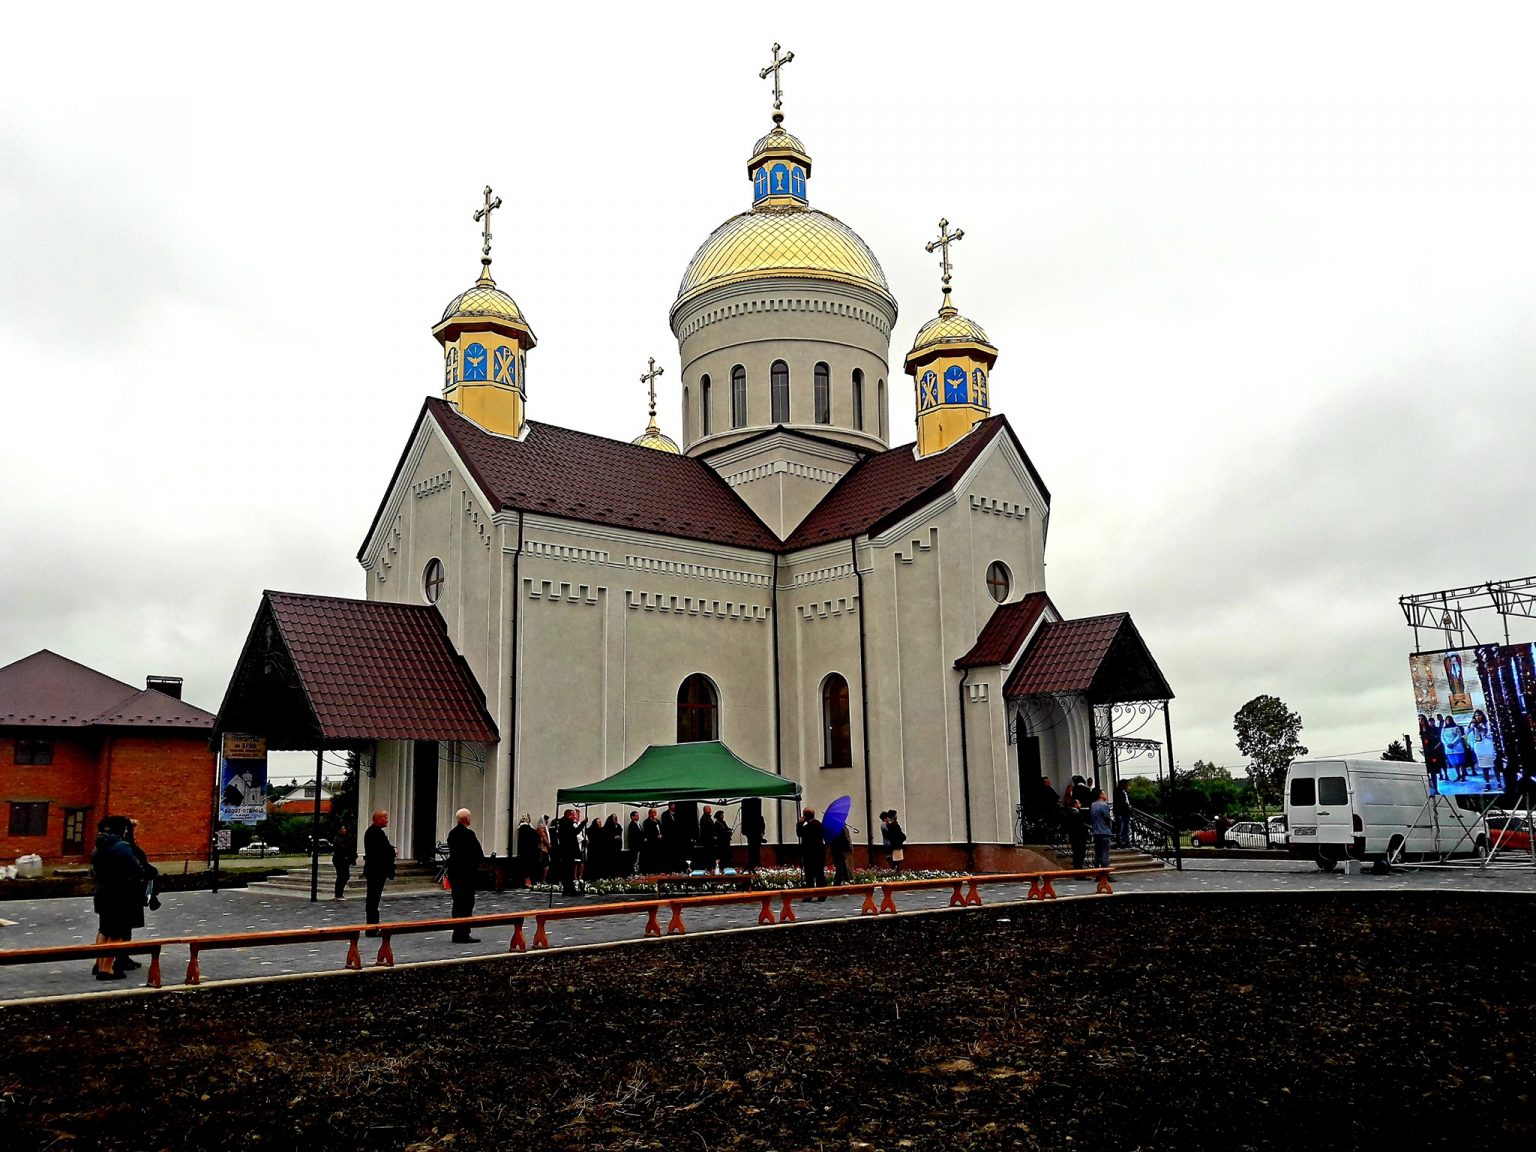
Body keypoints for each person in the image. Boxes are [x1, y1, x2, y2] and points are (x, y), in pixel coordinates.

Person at [90, 816, 142, 980]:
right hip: (119, 894)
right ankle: (107, 969)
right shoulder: (121, 847)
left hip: (102, 892)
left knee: (104, 930)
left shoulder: (98, 847)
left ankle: (99, 964)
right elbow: (136, 868)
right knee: (116, 932)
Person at [446, 808, 485, 943]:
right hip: (467, 874)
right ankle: (463, 932)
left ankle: (457, 932)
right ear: (467, 819)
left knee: (457, 902)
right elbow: (477, 853)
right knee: (467, 903)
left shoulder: (452, 834)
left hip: (455, 873)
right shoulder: (468, 834)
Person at [363, 809, 396, 936]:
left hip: (376, 870)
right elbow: (383, 851)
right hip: (376, 871)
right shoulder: (374, 833)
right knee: (373, 899)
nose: (387, 820)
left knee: (373, 899)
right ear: (377, 819)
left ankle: (373, 926)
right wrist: (393, 851)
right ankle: (372, 928)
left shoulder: (375, 832)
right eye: (384, 818)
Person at [796, 807, 826, 897]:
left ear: (805, 816)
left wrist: (799, 824)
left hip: (810, 854)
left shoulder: (808, 826)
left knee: (809, 875)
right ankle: (822, 894)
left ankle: (809, 895)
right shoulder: (819, 824)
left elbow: (800, 834)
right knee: (819, 874)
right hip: (820, 853)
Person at [1089, 789, 1113, 870]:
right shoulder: (1104, 805)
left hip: (1096, 831)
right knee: (1105, 853)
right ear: (1101, 795)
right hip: (1104, 831)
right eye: (1104, 794)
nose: (1106, 795)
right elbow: (1107, 818)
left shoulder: (1093, 805)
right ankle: (1104, 871)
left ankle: (1096, 870)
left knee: (1097, 853)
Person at [516, 814, 542, 888]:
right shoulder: (530, 830)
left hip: (523, 852)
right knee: (529, 868)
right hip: (531, 851)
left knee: (525, 868)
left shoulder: (521, 829)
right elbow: (537, 838)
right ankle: (529, 882)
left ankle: (526, 881)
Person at [1062, 797, 1087, 870]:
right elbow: (1080, 825)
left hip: (1074, 837)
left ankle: (1077, 868)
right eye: (1079, 803)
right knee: (1079, 853)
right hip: (1079, 837)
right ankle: (1079, 869)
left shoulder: (1070, 812)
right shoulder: (1075, 813)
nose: (1080, 804)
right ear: (1075, 804)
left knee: (1076, 853)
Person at [741, 799, 765, 872]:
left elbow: (762, 825)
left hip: (756, 835)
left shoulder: (759, 818)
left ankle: (756, 862)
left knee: (756, 849)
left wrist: (762, 832)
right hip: (751, 835)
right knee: (752, 849)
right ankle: (752, 862)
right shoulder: (749, 819)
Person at [331, 826, 354, 899]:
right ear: (339, 830)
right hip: (340, 860)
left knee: (344, 876)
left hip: (342, 860)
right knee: (342, 876)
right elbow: (343, 849)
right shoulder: (338, 839)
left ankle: (339, 893)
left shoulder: (344, 838)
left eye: (345, 828)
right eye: (343, 829)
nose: (345, 830)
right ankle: (338, 894)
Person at [641, 807, 662, 873]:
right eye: (654, 813)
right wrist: (656, 836)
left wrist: (661, 834)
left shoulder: (657, 821)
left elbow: (661, 828)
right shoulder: (646, 822)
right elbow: (648, 832)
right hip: (651, 843)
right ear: (650, 814)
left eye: (656, 813)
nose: (655, 814)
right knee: (652, 858)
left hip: (659, 842)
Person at [1113, 780, 1132, 848]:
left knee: (1126, 829)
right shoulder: (1117, 792)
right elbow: (1118, 804)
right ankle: (1119, 843)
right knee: (1120, 829)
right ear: (1123, 784)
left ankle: (1127, 843)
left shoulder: (1125, 792)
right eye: (1126, 784)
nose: (1127, 786)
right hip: (1120, 813)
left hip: (1126, 813)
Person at [698, 806, 716, 871]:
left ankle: (710, 866)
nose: (710, 809)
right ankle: (708, 867)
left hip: (710, 839)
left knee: (710, 854)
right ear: (705, 810)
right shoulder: (704, 818)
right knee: (708, 854)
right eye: (708, 808)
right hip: (707, 840)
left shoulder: (708, 818)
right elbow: (706, 829)